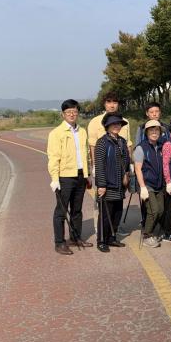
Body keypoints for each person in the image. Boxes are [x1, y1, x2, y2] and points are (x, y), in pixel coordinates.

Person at [47, 99, 93, 255]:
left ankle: (75, 237)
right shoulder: (56, 133)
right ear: (63, 114)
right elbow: (53, 157)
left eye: (74, 111)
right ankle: (59, 242)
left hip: (80, 175)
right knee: (61, 211)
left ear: (78, 113)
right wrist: (55, 178)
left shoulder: (82, 131)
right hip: (65, 177)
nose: (72, 114)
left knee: (77, 210)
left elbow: (86, 155)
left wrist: (87, 174)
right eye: (68, 112)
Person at [87, 91, 132, 233]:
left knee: (118, 199)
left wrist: (128, 166)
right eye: (109, 102)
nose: (112, 105)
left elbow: (128, 144)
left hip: (120, 168)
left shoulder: (125, 122)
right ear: (104, 104)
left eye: (115, 102)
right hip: (104, 168)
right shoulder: (95, 122)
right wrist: (94, 166)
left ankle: (113, 229)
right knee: (103, 199)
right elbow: (93, 145)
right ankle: (100, 228)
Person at [94, 113, 131, 252]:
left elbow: (126, 160)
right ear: (107, 126)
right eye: (113, 124)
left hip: (120, 185)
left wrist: (127, 173)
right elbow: (99, 165)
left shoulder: (122, 141)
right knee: (105, 215)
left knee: (117, 213)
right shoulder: (102, 142)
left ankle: (111, 238)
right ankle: (101, 241)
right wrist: (101, 185)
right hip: (108, 185)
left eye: (118, 124)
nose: (116, 126)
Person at [133, 120, 165, 248]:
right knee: (153, 210)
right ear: (146, 132)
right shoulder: (141, 148)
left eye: (157, 130)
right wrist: (142, 187)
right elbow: (137, 169)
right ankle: (147, 235)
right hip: (147, 184)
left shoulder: (161, 146)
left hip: (159, 184)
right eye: (151, 130)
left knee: (161, 210)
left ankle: (152, 232)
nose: (154, 133)